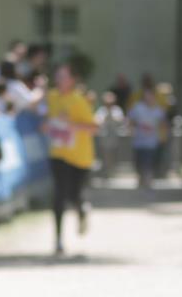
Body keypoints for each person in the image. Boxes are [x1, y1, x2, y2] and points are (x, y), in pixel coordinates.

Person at [44, 62, 98, 255]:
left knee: (74, 196)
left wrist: (73, 126)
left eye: (63, 77)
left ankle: (81, 210)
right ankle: (58, 240)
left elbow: (93, 128)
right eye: (57, 76)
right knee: (58, 195)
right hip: (59, 154)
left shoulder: (79, 100)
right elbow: (46, 119)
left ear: (72, 80)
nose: (59, 80)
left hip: (80, 158)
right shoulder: (51, 97)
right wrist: (47, 126)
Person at [127, 87, 167, 189]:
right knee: (138, 163)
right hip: (138, 141)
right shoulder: (137, 108)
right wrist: (131, 130)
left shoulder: (158, 110)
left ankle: (148, 180)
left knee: (149, 162)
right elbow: (130, 121)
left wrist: (162, 136)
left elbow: (163, 124)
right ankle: (141, 179)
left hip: (151, 142)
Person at [94, 90, 124, 181]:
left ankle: (111, 172)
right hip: (104, 138)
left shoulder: (117, 110)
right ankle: (105, 173)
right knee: (103, 156)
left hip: (114, 138)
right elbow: (97, 122)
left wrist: (113, 118)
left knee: (113, 156)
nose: (109, 104)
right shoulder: (101, 110)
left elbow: (121, 121)